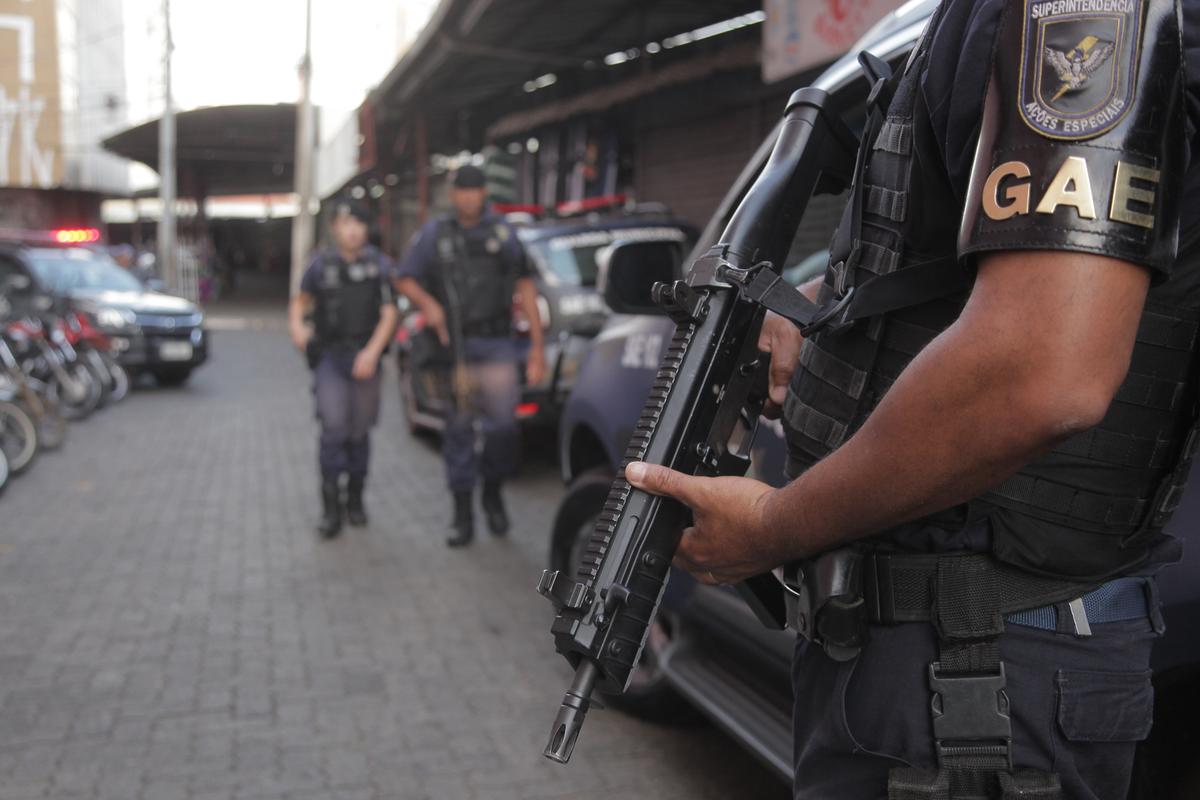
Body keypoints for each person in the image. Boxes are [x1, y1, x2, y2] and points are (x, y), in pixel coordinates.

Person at [622, 2, 1199, 798]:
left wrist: (771, 528)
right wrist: (823, 313)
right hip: (941, 662)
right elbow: (965, 268)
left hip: (977, 674)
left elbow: (1041, 372)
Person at [394, 165, 545, 548]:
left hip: (496, 345)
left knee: (503, 429)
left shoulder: (502, 232)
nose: (468, 197)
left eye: (474, 190)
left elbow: (525, 287)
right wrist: (430, 305)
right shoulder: (435, 233)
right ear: (452, 193)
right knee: (458, 429)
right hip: (456, 348)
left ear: (484, 193)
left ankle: (491, 492)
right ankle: (462, 514)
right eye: (461, 190)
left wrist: (538, 350)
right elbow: (405, 278)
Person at [289, 200, 398, 539]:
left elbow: (390, 313)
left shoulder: (379, 265)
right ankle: (330, 508)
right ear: (335, 228)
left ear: (367, 229)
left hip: (365, 357)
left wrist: (371, 353)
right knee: (334, 429)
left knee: (359, 432)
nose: (352, 230)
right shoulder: (320, 265)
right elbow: (300, 301)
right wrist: (298, 331)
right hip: (331, 359)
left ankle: (355, 500)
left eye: (359, 223)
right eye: (346, 223)